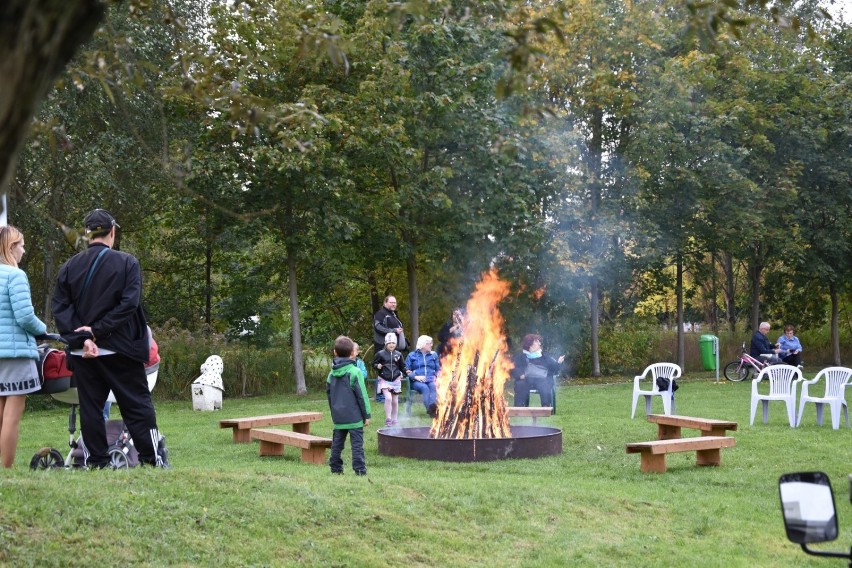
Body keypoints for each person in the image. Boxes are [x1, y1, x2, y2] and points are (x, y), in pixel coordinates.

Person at [52, 209, 165, 468]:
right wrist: (97, 332)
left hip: (84, 354)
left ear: (87, 234)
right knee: (137, 406)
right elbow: (128, 305)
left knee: (90, 409)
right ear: (112, 232)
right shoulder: (128, 263)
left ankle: (97, 463)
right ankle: (151, 460)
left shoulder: (68, 268)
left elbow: (61, 309)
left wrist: (84, 339)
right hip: (121, 349)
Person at [0, 226, 47, 468]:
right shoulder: (15, 276)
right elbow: (25, 317)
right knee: (12, 416)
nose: (24, 250)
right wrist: (44, 330)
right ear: (10, 248)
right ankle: (6, 471)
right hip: (15, 355)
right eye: (21, 245)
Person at [326, 336, 371, 476]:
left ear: (335, 352)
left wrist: (334, 412)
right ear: (353, 353)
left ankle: (335, 469)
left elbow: (329, 396)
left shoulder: (331, 374)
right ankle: (360, 471)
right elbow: (362, 396)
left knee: (337, 445)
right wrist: (367, 415)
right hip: (354, 417)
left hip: (338, 417)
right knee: (357, 446)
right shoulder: (355, 372)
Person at [510, 334, 564, 408]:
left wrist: (558, 363)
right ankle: (519, 408)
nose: (540, 343)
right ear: (531, 345)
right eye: (537, 341)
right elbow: (512, 368)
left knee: (545, 384)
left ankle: (546, 407)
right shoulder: (520, 357)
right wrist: (520, 374)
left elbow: (554, 369)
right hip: (526, 380)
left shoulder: (544, 357)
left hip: (542, 380)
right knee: (520, 384)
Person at [373, 332, 406, 427]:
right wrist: (377, 366)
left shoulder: (399, 354)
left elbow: (402, 366)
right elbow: (374, 364)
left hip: (396, 380)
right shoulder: (380, 354)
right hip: (384, 379)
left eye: (393, 343)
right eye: (389, 343)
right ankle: (388, 418)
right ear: (386, 343)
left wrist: (406, 371)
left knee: (395, 401)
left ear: (396, 344)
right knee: (388, 398)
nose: (391, 345)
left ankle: (395, 419)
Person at [404, 335, 440, 418]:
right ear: (423, 345)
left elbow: (438, 369)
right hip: (417, 381)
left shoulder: (433, 355)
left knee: (433, 386)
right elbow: (406, 370)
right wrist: (415, 377)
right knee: (424, 388)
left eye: (431, 343)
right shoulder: (412, 355)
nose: (431, 345)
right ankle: (431, 411)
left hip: (431, 379)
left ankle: (433, 408)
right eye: (429, 343)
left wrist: (438, 377)